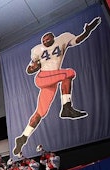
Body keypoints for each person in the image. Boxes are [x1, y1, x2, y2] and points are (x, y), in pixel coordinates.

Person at [13, 17, 102, 156]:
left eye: (48, 39)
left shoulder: (63, 38)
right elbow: (29, 69)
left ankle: (22, 137)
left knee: (40, 113)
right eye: (43, 40)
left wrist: (87, 31)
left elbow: (77, 40)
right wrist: (34, 68)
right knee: (69, 73)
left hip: (52, 81)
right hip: (43, 77)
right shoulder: (37, 50)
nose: (45, 41)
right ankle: (66, 107)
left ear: (53, 38)